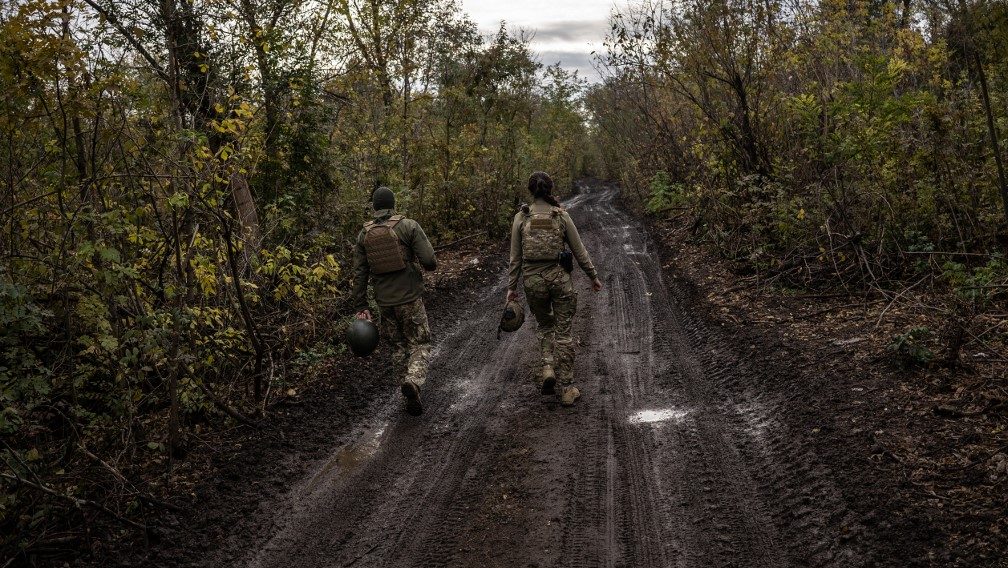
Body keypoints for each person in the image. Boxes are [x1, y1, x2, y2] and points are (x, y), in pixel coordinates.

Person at [506, 172, 602, 406]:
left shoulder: (521, 217)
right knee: (564, 332)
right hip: (560, 279)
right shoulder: (561, 216)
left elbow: (515, 258)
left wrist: (511, 288)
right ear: (550, 189)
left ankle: (548, 367)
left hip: (532, 281)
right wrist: (593, 276)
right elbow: (579, 251)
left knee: (544, 325)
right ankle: (568, 388)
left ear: (531, 191)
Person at [352, 186, 437, 416]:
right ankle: (414, 381)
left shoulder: (364, 234)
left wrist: (361, 306)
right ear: (393, 204)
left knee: (398, 346)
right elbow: (429, 260)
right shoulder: (408, 226)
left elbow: (360, 274)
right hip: (409, 297)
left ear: (375, 207)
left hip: (384, 303)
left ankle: (406, 389)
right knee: (420, 342)